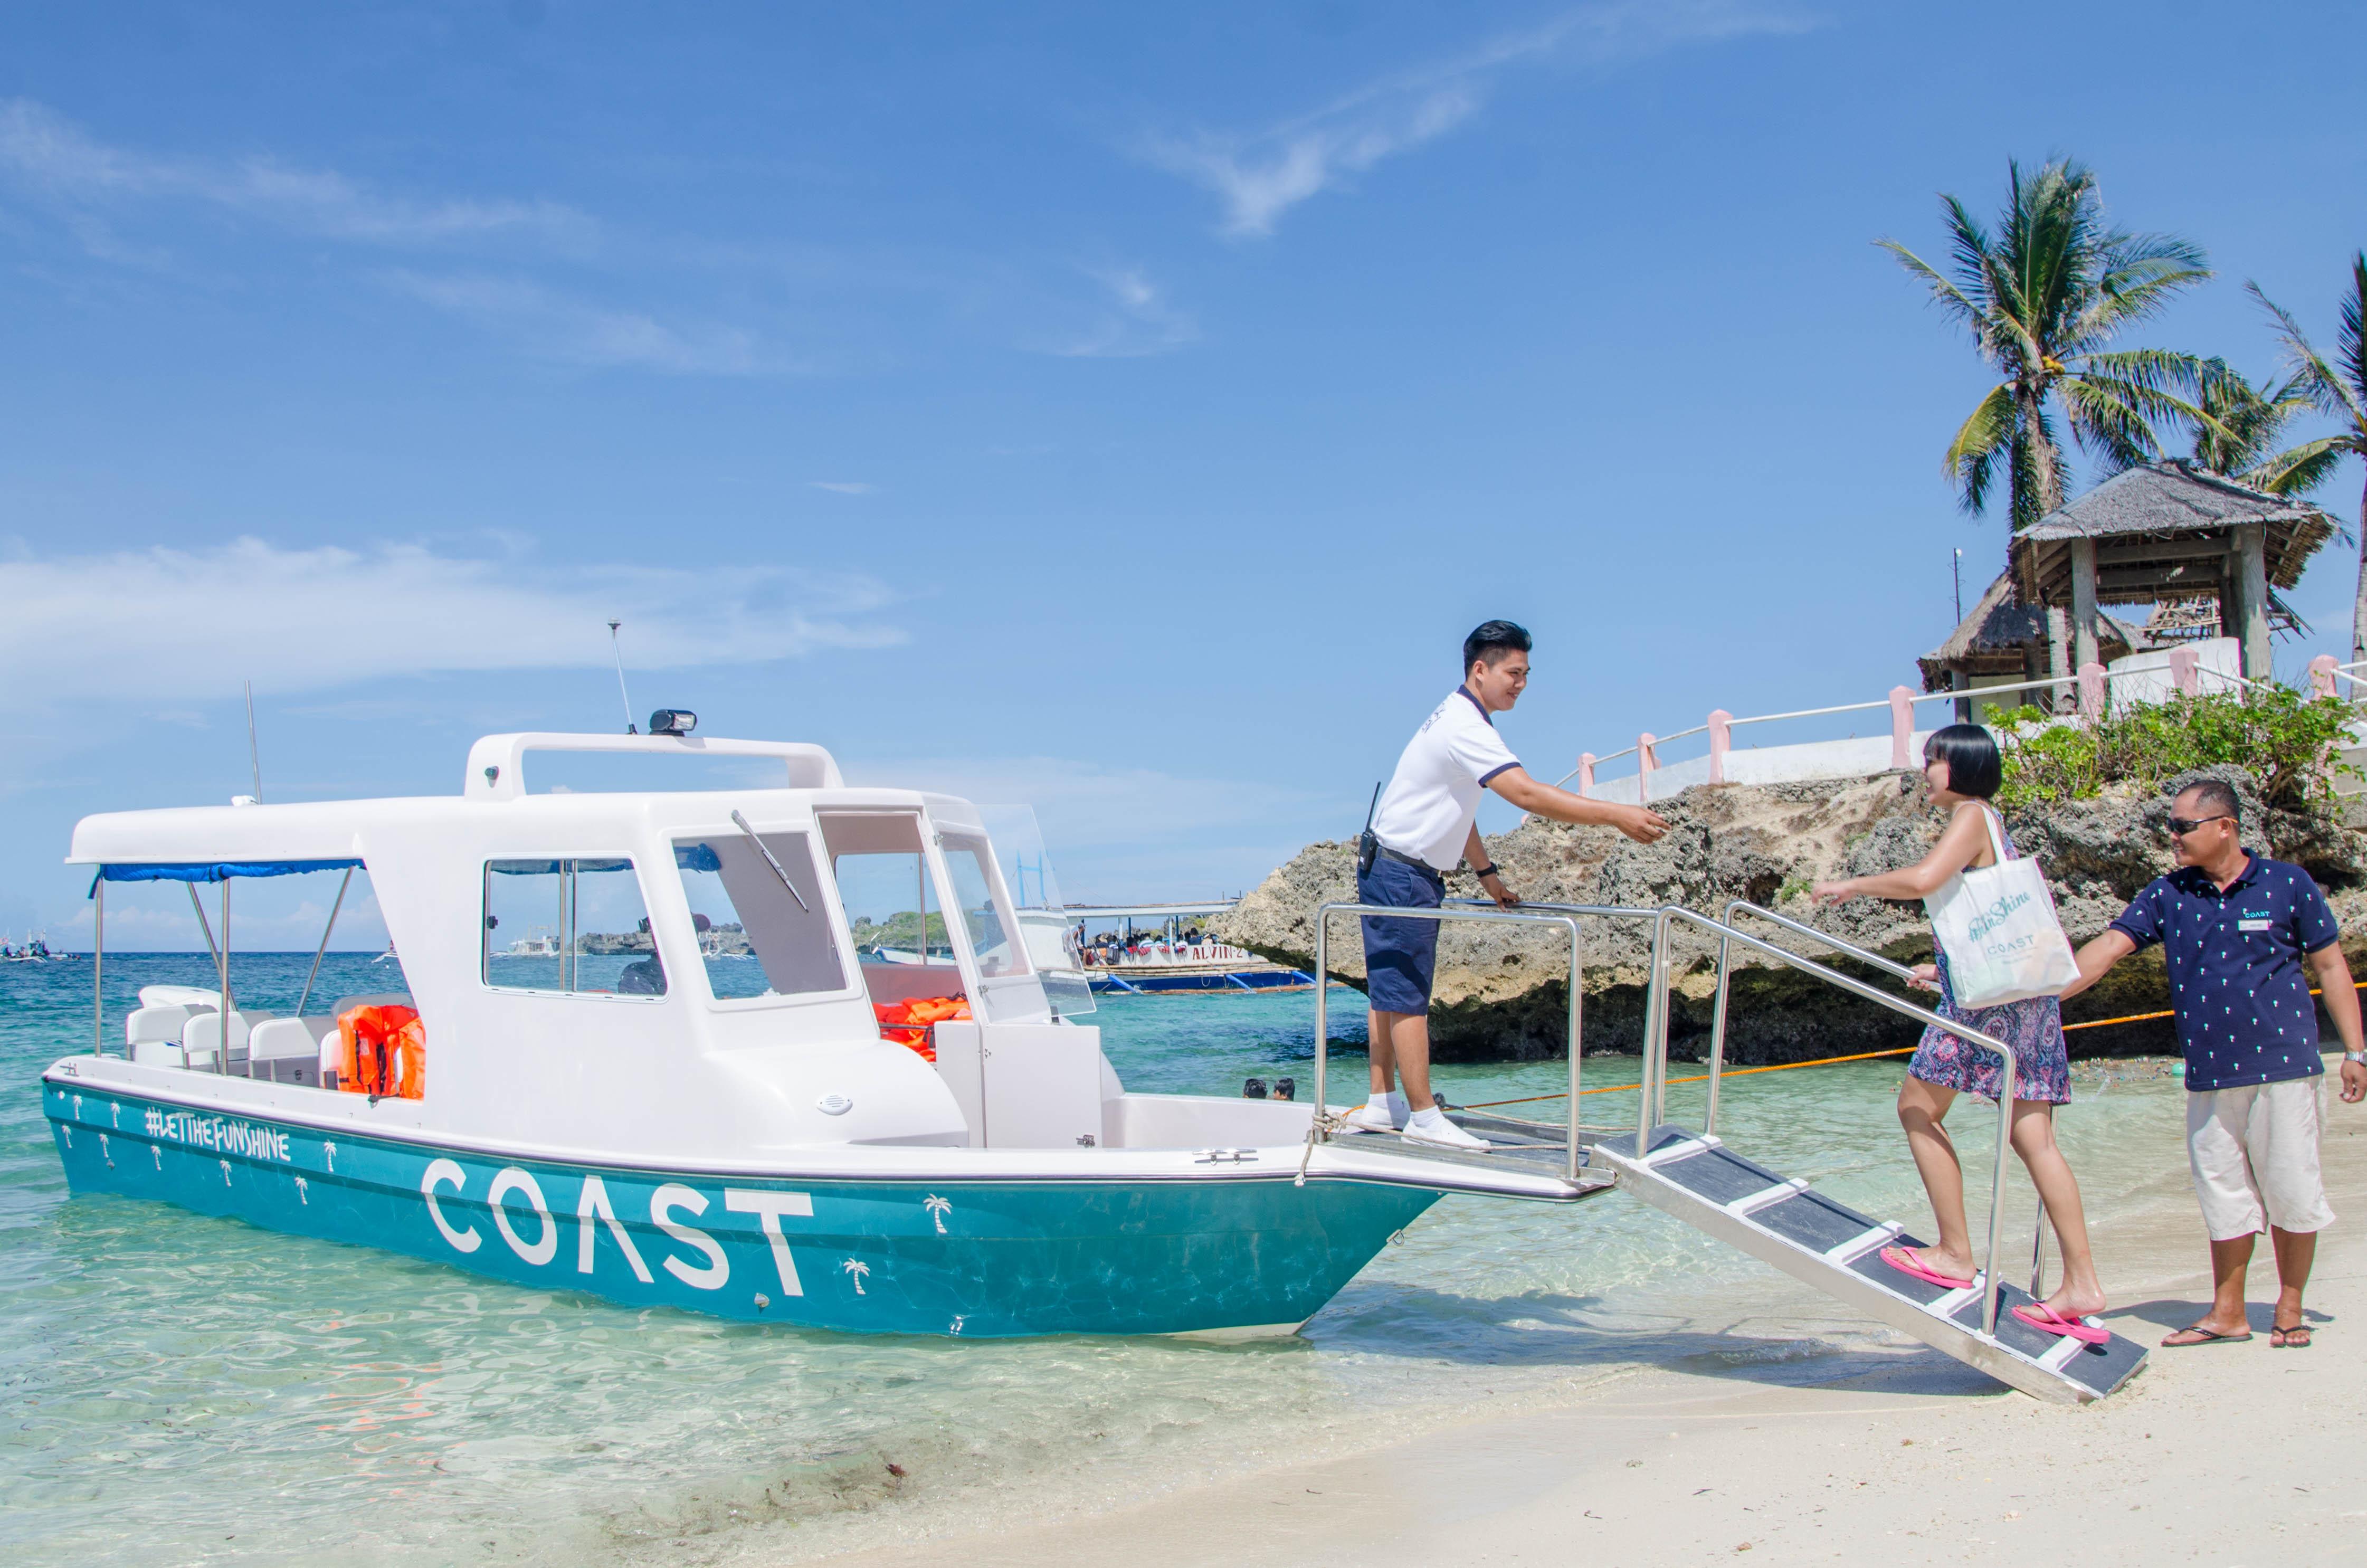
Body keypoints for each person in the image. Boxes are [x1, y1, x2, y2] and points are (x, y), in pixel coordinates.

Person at [1812, 724, 2108, 1342]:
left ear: (1962, 766)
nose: (1926, 771)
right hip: (2025, 1000)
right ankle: (2081, 1281)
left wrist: (1851, 885)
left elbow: (1924, 881)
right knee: (2036, 1142)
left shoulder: (1971, 814)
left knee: (1917, 1108)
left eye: (1934, 761)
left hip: (1985, 1009)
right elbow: (1986, 917)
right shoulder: (1991, 820)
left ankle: (1954, 1250)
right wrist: (1939, 964)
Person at [2060, 777, 2367, 1348]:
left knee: (2291, 1189)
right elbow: (2105, 951)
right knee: (2222, 1194)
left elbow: (2330, 968)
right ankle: (2228, 1312)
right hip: (2209, 1074)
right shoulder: (2168, 893)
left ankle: (2290, 1305)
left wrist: (2356, 1051)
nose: (2171, 836)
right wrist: (2038, 993)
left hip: (2285, 1068)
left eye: (2182, 826)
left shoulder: (2287, 884)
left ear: (2224, 826)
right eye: (2171, 827)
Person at [1350, 620, 1669, 1149]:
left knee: (1389, 987)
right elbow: (1526, 795)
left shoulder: (1459, 716)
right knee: (1405, 994)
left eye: (1526, 674)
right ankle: (1424, 1118)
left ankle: (1383, 1103)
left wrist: (1487, 874)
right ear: (1481, 669)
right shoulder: (1467, 727)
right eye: (1513, 673)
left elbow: (1459, 807)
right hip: (1402, 873)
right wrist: (1616, 815)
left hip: (1392, 865)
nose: (1521, 683)